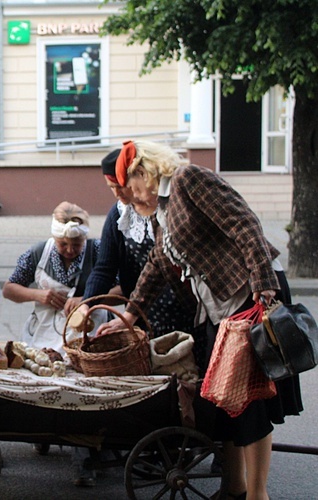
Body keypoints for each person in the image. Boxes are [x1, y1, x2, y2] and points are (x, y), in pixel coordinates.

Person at [97, 139, 303, 500]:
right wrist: (129, 315)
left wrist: (263, 284)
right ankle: (234, 486)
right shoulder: (160, 209)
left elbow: (243, 222)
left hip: (248, 291)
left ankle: (258, 495)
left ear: (143, 172)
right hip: (218, 308)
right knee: (220, 399)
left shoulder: (187, 180)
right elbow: (156, 267)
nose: (127, 196)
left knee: (248, 399)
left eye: (128, 186)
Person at [79, 149, 196, 337]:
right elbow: (105, 267)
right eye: (111, 187)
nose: (117, 193)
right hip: (142, 308)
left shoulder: (170, 204)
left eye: (121, 185)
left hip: (187, 305)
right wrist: (87, 302)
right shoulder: (120, 215)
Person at [3, 201, 112, 353]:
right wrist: (37, 295)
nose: (70, 250)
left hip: (90, 334)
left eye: (76, 244)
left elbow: (122, 290)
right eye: (63, 244)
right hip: (43, 333)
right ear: (54, 237)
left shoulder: (97, 251)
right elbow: (8, 289)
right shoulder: (39, 252)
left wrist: (86, 299)